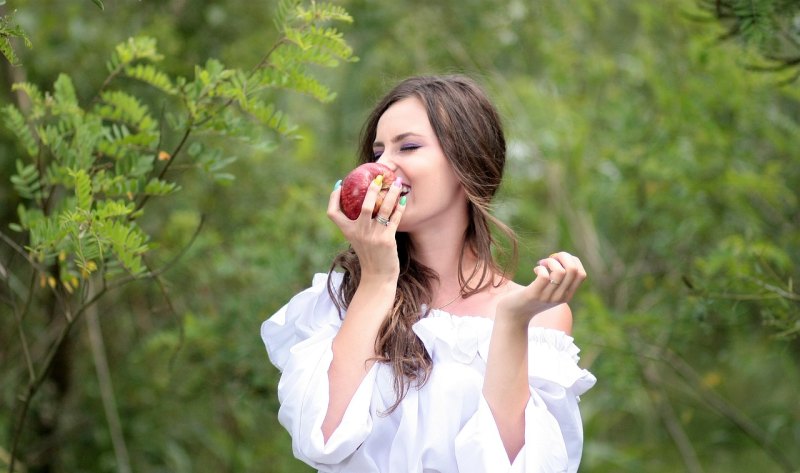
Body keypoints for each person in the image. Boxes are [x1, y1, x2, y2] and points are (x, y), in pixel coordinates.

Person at [261, 74, 596, 473]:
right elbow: (322, 439)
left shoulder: (536, 315)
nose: (383, 166)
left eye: (409, 147)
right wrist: (378, 278)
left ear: (465, 161)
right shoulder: (341, 297)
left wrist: (512, 321)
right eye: (378, 152)